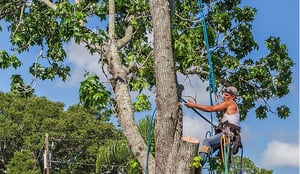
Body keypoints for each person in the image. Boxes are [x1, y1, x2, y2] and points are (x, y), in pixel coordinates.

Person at [185, 86, 241, 167]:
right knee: (207, 150)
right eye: (224, 95)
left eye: (227, 95)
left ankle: (197, 166)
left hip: (228, 135)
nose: (224, 97)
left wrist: (194, 105)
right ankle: (196, 162)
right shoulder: (231, 106)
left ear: (233, 97)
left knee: (207, 142)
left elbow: (211, 109)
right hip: (226, 134)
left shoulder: (230, 103)